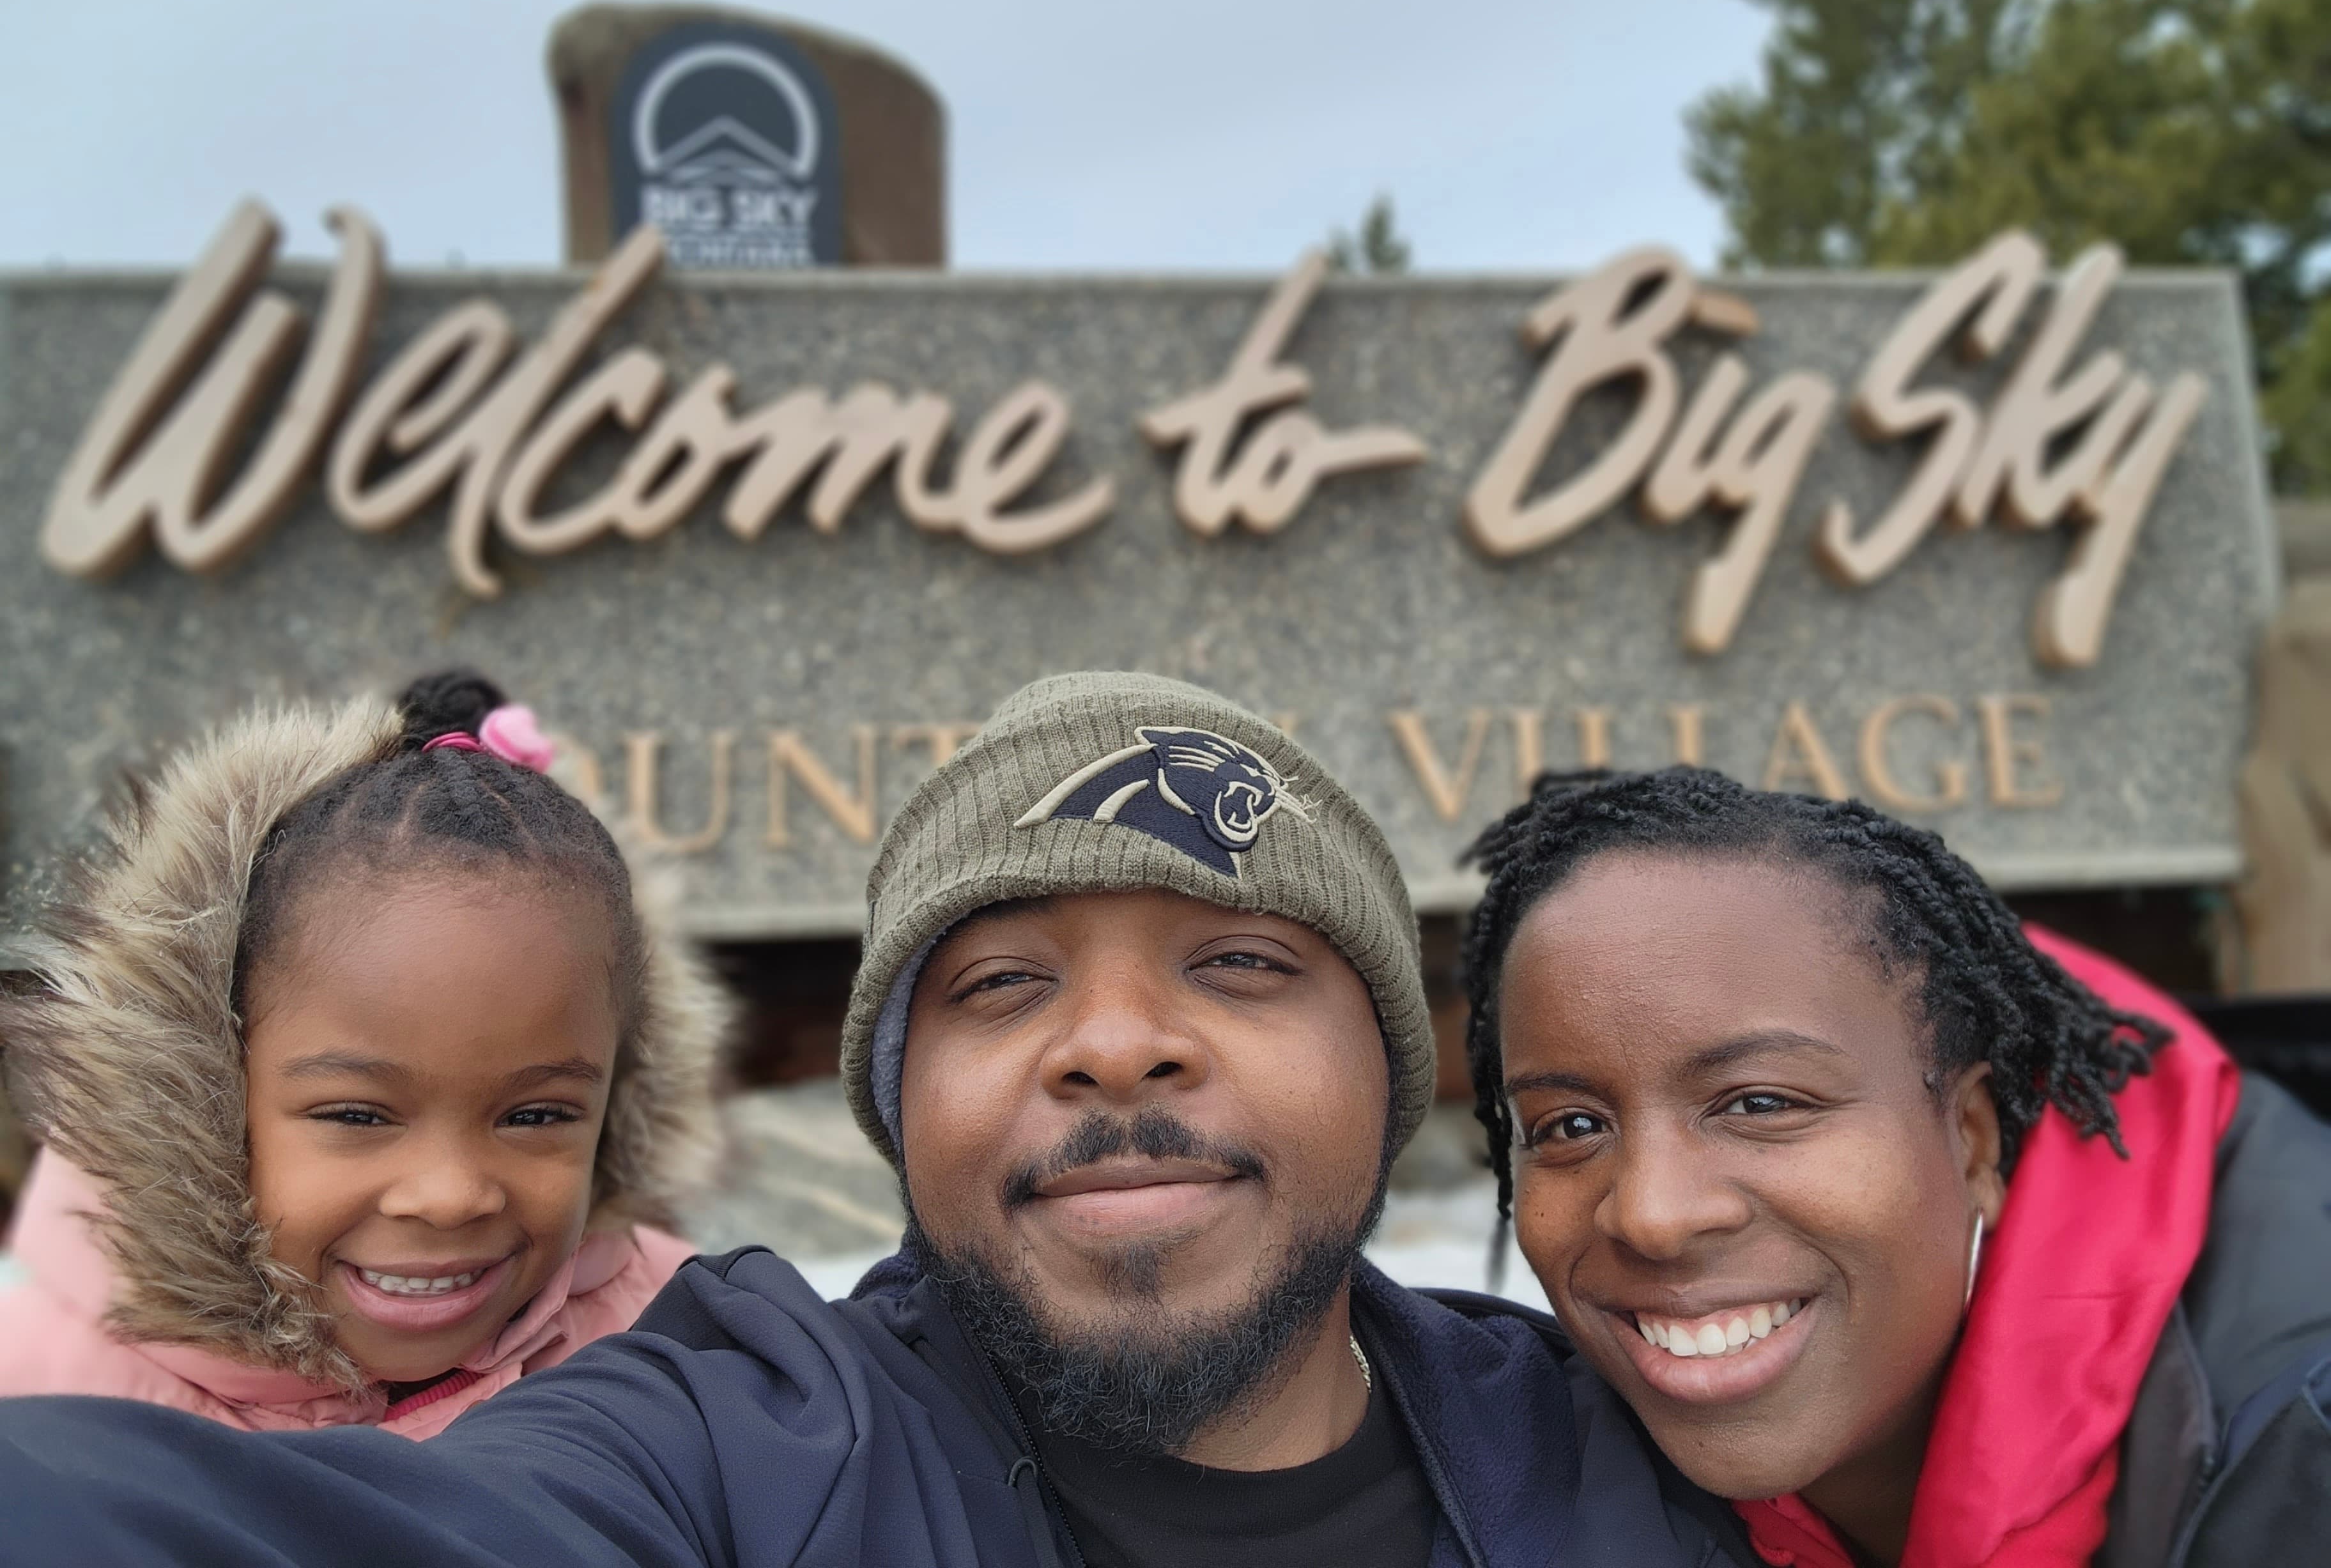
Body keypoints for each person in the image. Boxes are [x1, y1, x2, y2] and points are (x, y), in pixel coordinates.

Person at [0, 672, 1748, 1566]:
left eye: (1235, 963)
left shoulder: (1640, 1455)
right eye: (999, 988)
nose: (1120, 1047)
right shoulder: (737, 1442)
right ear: (896, 1108)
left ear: (1391, 1071)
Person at [1458, 766, 2331, 1568]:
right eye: (1570, 1124)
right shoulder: (1509, 1453)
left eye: (1760, 1104)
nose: (1650, 1214)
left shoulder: (2297, 1444)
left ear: (1974, 1138)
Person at [0, 670, 726, 1437]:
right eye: (358, 1114)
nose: (449, 1196)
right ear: (206, 1098)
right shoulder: (44, 1407)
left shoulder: (684, 1349)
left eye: (536, 1114)